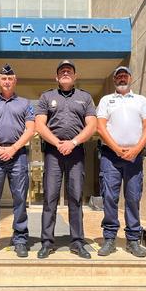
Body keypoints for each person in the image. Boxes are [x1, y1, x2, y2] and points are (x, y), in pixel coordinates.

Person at [35, 60, 97, 259]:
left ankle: (77, 242)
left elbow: (92, 125)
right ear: (56, 77)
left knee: (76, 198)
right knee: (50, 198)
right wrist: (58, 143)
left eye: (69, 71)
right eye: (62, 71)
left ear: (75, 76)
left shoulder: (85, 97)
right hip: (53, 154)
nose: (66, 73)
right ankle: (46, 242)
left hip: (76, 153)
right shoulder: (47, 96)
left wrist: (73, 142)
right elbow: (39, 125)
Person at [96, 66, 146, 257]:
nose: (122, 78)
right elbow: (100, 127)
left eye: (125, 75)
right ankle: (110, 239)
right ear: (114, 80)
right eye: (118, 76)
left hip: (134, 157)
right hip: (110, 156)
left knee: (133, 197)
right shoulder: (106, 100)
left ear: (130, 78)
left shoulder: (141, 100)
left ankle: (132, 240)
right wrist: (116, 148)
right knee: (109, 198)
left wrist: (136, 150)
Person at [0, 64, 35, 258]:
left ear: (15, 81)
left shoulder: (25, 103)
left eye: (10, 78)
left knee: (20, 198)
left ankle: (20, 239)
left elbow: (30, 130)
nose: (7, 81)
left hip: (18, 154)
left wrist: (12, 149)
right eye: (4, 78)